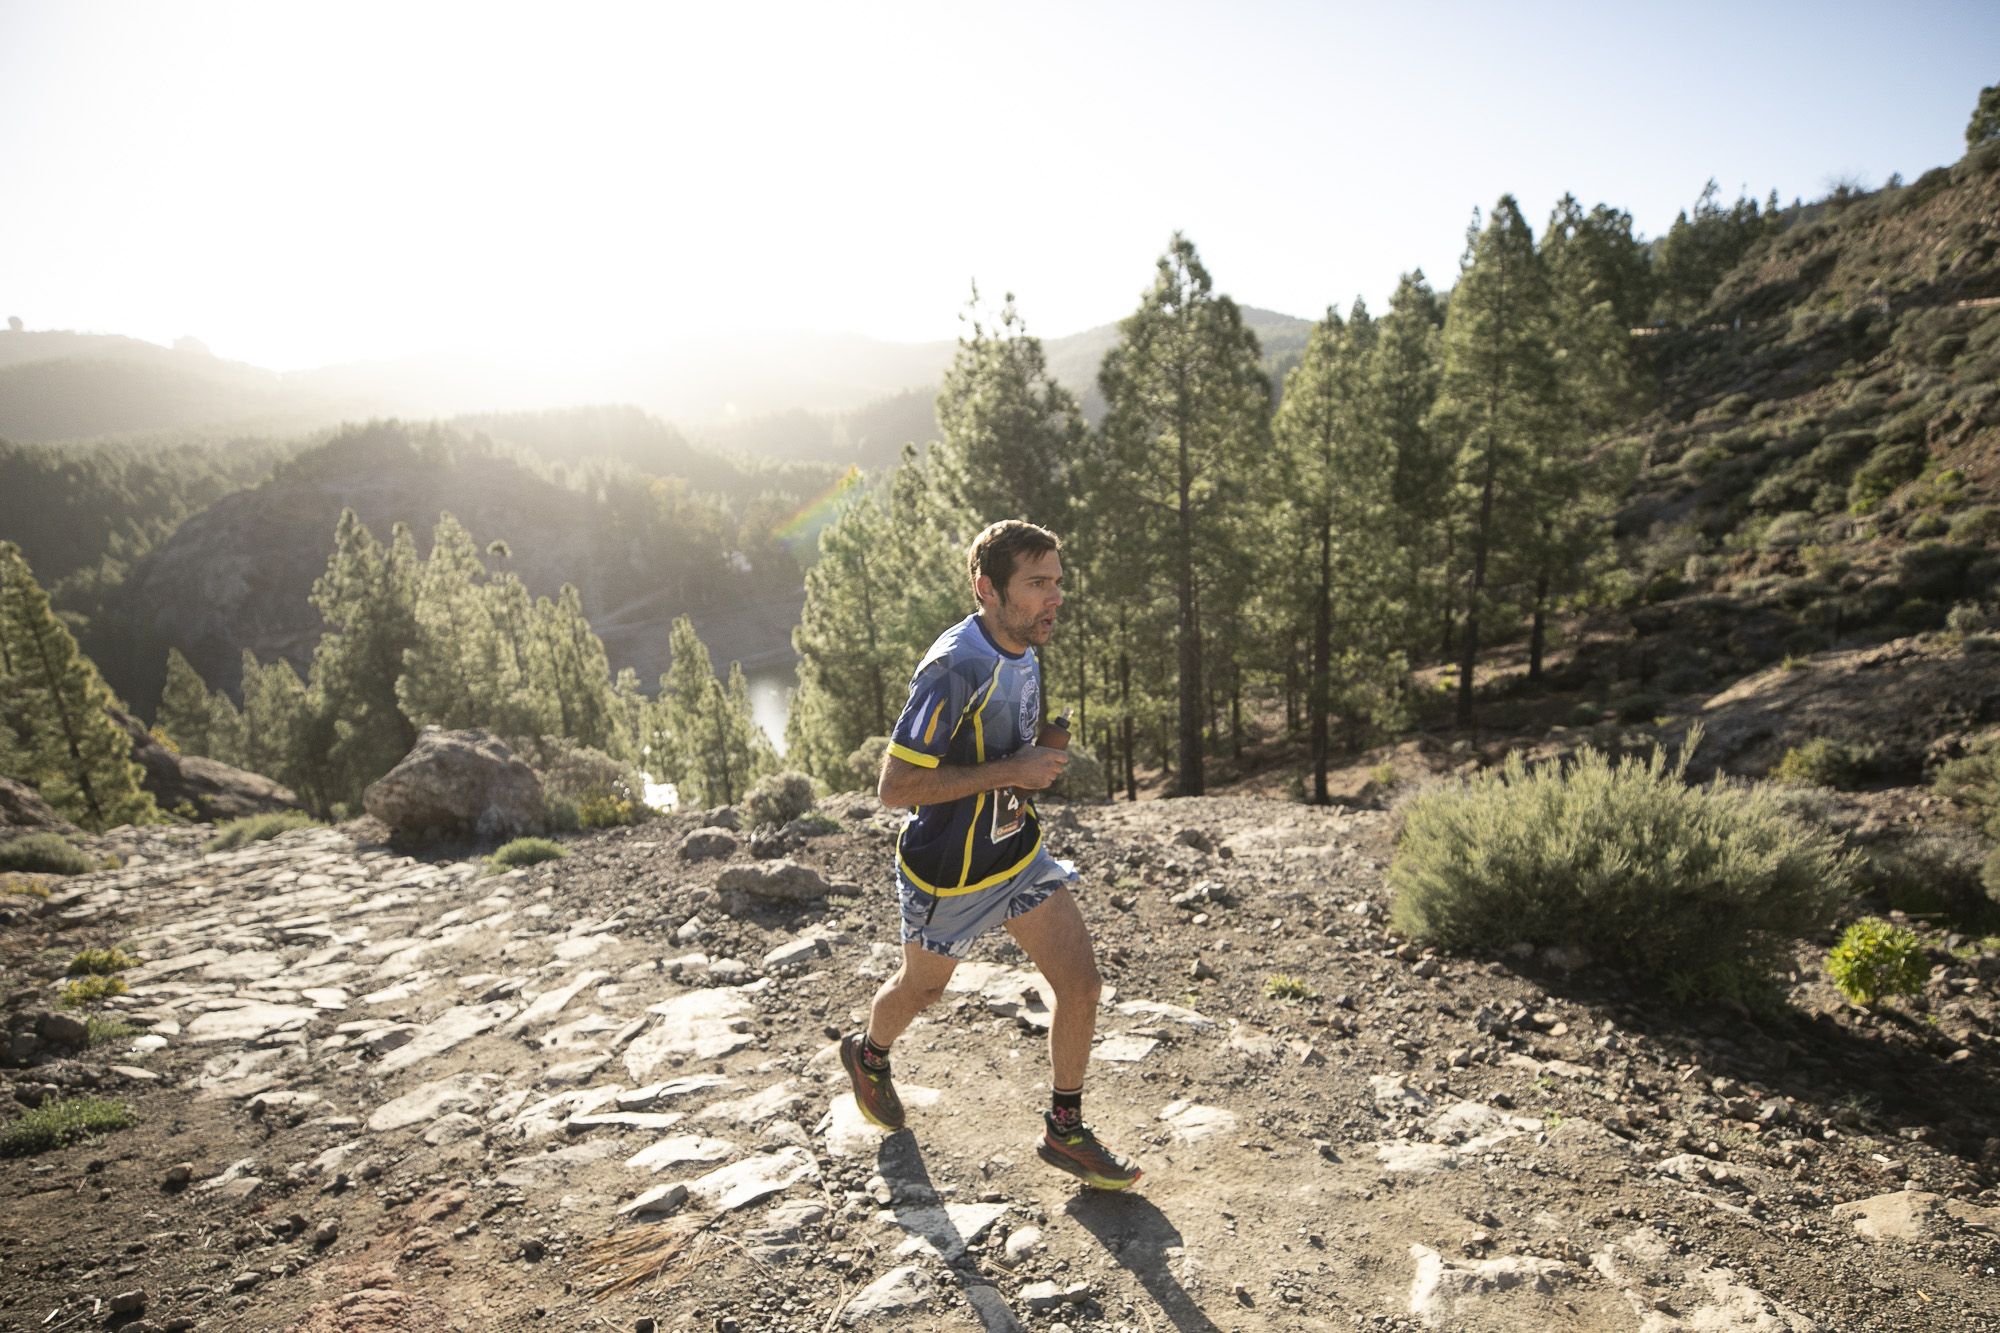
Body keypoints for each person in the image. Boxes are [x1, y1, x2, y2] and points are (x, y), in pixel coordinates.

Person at [838, 519, 1142, 1190]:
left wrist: (1039, 752)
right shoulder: (954, 666)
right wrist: (1015, 768)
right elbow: (896, 788)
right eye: (1037, 584)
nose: (1054, 598)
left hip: (1016, 855)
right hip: (948, 872)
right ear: (987, 588)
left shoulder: (1027, 642)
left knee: (1082, 984)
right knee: (924, 989)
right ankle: (869, 1053)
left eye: (1057, 582)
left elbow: (1005, 745)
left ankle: (1065, 1129)